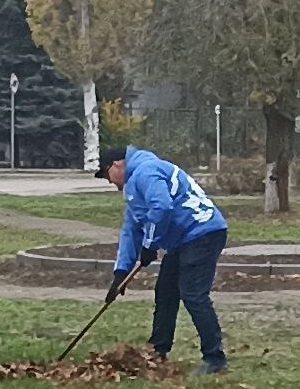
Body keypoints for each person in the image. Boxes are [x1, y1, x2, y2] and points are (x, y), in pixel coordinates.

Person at [96, 145, 230, 375]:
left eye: (106, 174)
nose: (109, 181)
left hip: (202, 233)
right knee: (166, 292)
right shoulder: (134, 184)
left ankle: (214, 357)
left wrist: (150, 244)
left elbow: (162, 207)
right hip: (182, 239)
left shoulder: (146, 170)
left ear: (116, 164)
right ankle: (157, 352)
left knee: (193, 294)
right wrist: (121, 272)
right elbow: (131, 229)